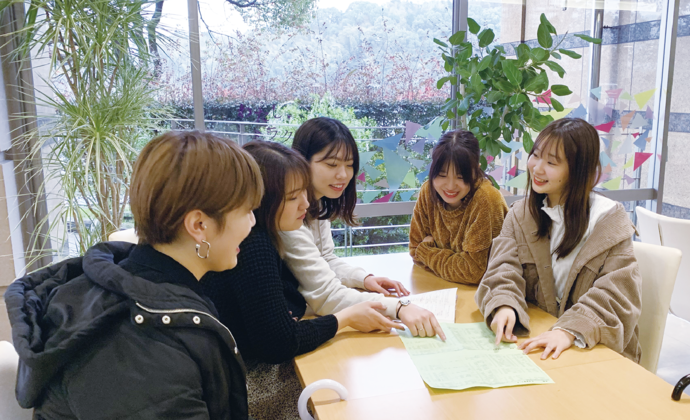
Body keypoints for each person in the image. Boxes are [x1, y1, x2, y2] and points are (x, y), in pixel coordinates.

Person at [5, 131, 263, 419]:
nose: (252, 223)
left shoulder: (151, 287)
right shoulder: (140, 348)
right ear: (199, 224)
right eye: (248, 211)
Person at [202, 140, 412, 419]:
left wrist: (363, 281)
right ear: (260, 200)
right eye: (292, 197)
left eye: (304, 191)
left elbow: (324, 263)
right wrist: (345, 319)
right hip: (244, 385)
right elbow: (279, 342)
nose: (306, 203)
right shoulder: (255, 245)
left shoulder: (267, 233)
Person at [475, 118, 642, 362]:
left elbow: (616, 297)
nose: (537, 168)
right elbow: (502, 270)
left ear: (578, 170)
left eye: (551, 162)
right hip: (540, 346)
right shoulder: (521, 214)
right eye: (536, 155)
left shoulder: (609, 222)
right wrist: (504, 305)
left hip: (595, 353)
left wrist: (568, 330)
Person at [283, 117, 444, 339]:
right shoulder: (289, 215)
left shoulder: (317, 203)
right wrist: (399, 307)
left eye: (349, 165)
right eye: (331, 164)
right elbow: (326, 296)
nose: (343, 175)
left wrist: (364, 279)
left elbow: (326, 258)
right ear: (301, 161)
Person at [409, 130, 508, 284]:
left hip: (489, 293)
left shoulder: (486, 198)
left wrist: (426, 252)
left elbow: (473, 271)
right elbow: (414, 250)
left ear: (476, 170)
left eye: (461, 177)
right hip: (441, 287)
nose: (450, 186)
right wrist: (455, 262)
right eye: (442, 175)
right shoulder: (428, 191)